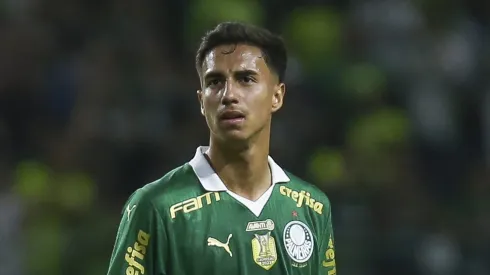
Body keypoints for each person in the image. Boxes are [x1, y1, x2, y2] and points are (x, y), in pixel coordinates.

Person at [106, 21, 337, 275]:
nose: (228, 95)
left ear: (277, 96)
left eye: (246, 79)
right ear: (201, 101)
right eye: (215, 82)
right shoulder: (156, 207)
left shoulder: (312, 207)